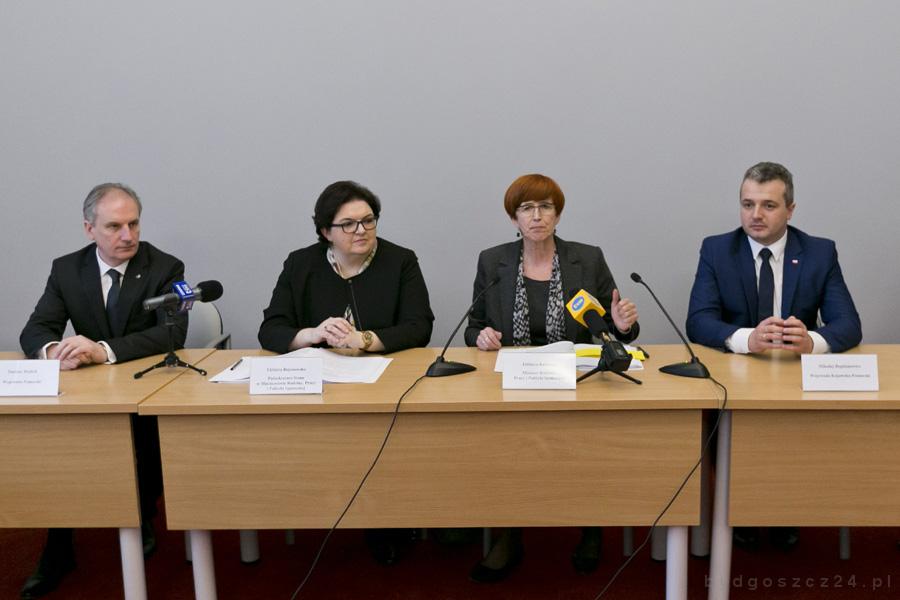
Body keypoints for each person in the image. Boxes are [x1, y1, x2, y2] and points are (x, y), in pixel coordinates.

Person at [464, 174, 640, 581]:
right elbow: (473, 326)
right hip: (515, 381)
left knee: (583, 447)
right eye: (526, 208)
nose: (537, 216)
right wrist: (482, 337)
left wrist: (622, 325)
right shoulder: (493, 261)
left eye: (545, 207)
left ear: (558, 215)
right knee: (506, 449)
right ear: (514, 218)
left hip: (575, 381)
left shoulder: (587, 259)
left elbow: (612, 329)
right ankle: (509, 534)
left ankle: (590, 527)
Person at [18, 182, 187, 598]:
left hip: (142, 388)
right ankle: (58, 544)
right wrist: (55, 350)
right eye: (114, 226)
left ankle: (142, 514)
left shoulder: (165, 267)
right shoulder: (66, 269)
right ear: (89, 228)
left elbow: (171, 334)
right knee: (59, 449)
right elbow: (36, 329)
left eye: (134, 224)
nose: (127, 235)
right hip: (87, 393)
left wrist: (102, 350)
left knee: (141, 439)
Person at [686, 161, 862, 552]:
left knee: (795, 442)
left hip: (797, 382)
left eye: (768, 205)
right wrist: (747, 339)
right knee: (726, 433)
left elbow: (849, 324)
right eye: (747, 204)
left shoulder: (819, 252)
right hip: (735, 381)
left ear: (790, 210)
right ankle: (739, 511)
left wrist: (812, 341)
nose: (756, 215)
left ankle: (786, 510)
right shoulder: (717, 249)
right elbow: (698, 321)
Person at [258, 180, 434, 563]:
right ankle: (318, 510)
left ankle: (385, 521)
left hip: (383, 384)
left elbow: (420, 326)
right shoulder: (300, 263)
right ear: (326, 231)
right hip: (318, 386)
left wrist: (364, 339)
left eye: (369, 220)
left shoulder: (400, 260)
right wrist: (312, 334)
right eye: (348, 224)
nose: (361, 230)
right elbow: (270, 329)